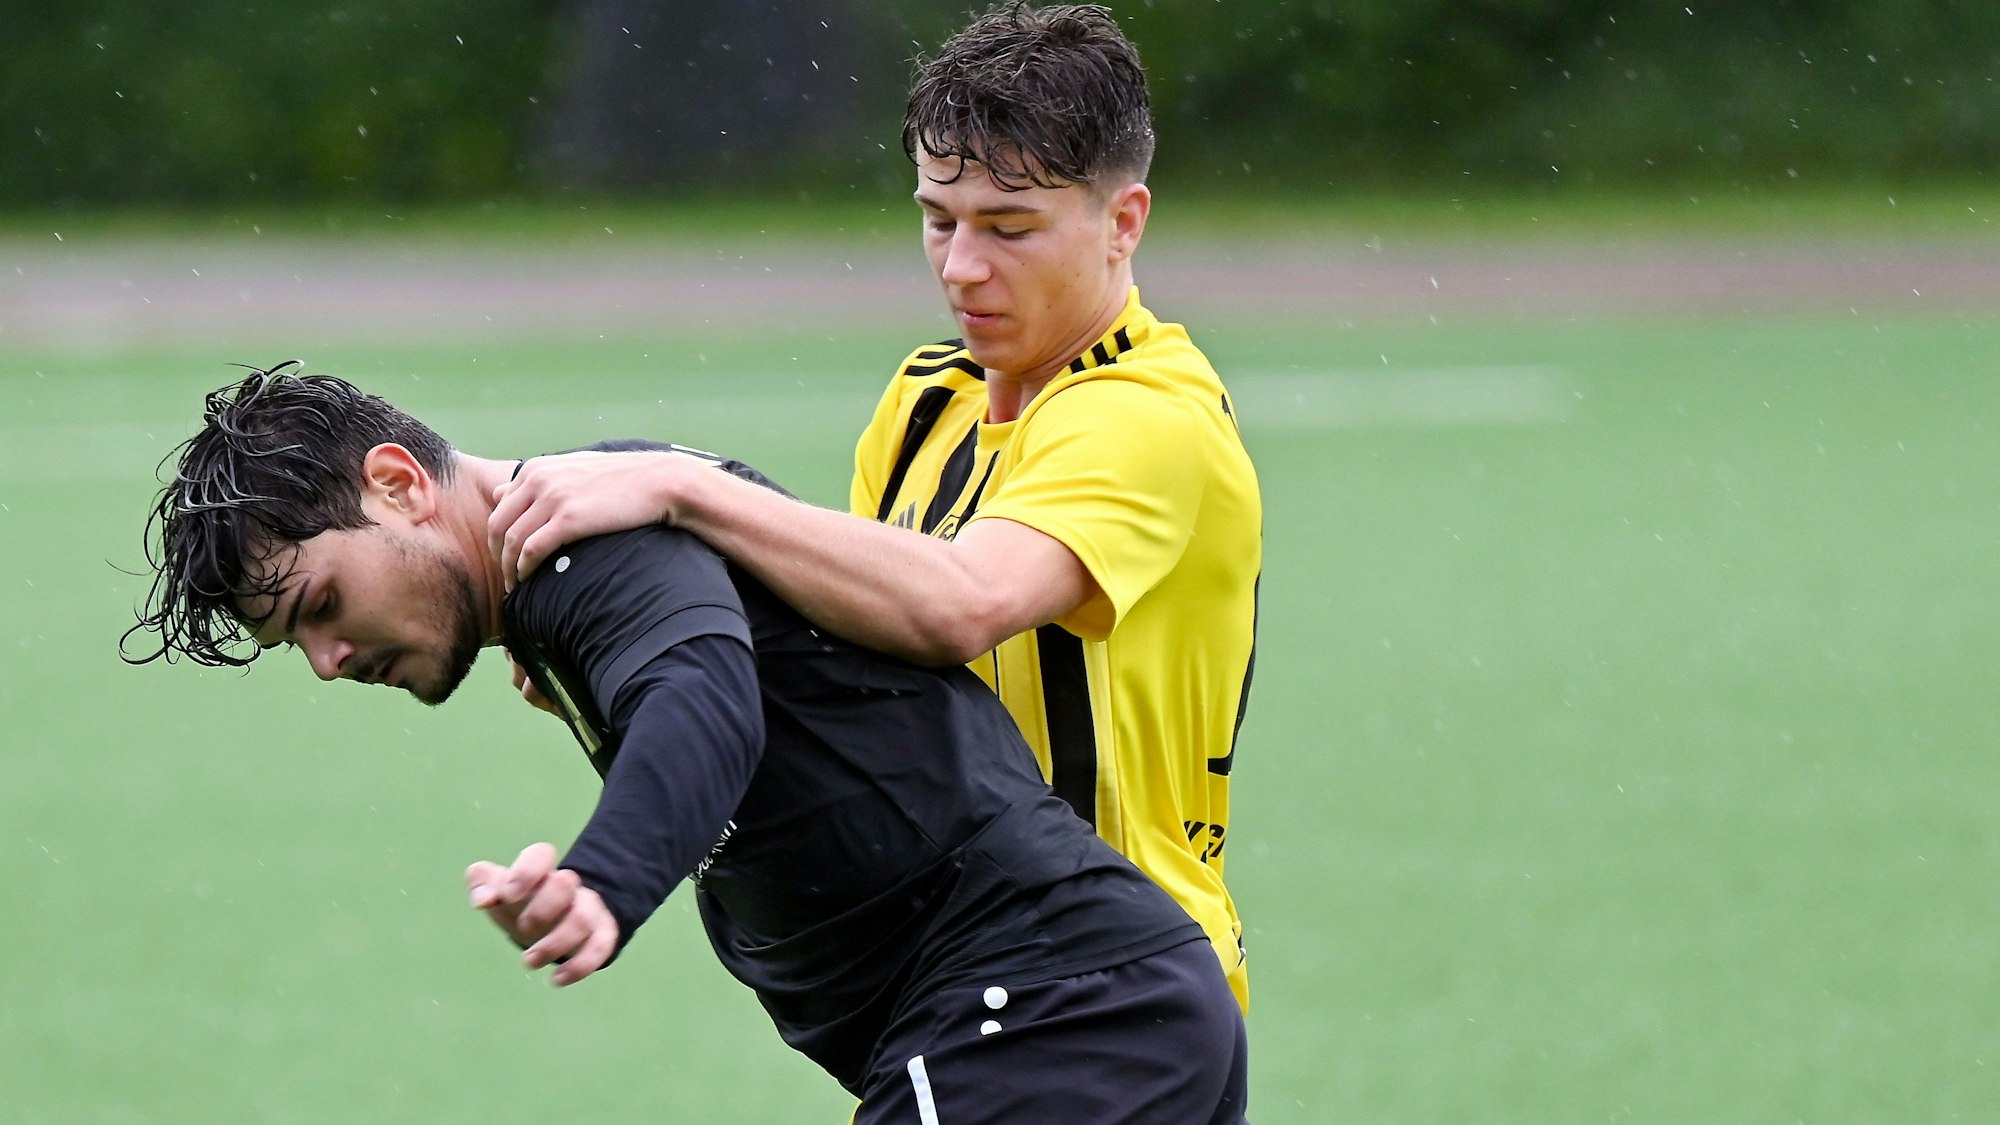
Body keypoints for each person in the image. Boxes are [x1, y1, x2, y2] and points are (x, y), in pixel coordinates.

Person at [123, 367, 1248, 1124]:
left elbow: (704, 698)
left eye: (320, 603)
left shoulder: (584, 549)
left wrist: (603, 880)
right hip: (1082, 1014)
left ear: (399, 485)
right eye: (292, 645)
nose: (326, 660)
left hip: (1038, 1017)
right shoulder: (563, 578)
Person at [488, 2, 1263, 1010]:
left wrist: (682, 488)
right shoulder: (922, 401)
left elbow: (959, 603)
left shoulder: (1144, 415)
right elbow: (858, 683)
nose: (960, 266)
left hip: (1106, 980)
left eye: (1009, 227)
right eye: (938, 219)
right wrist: (624, 659)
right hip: (958, 973)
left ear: (1123, 224)